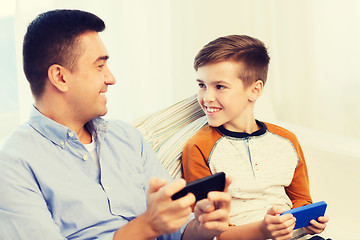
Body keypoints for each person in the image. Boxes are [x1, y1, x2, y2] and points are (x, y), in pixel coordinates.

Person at [0, 9, 232, 240]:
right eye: (99, 66)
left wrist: (202, 229)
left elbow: (178, 232)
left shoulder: (126, 138)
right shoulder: (14, 163)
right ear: (60, 78)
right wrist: (148, 225)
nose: (111, 78)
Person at [181, 35, 329, 240]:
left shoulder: (287, 141)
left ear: (254, 90)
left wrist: (312, 221)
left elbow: (302, 200)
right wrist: (264, 230)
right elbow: (212, 230)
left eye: (219, 86)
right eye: (202, 85)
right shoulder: (198, 146)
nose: (207, 98)